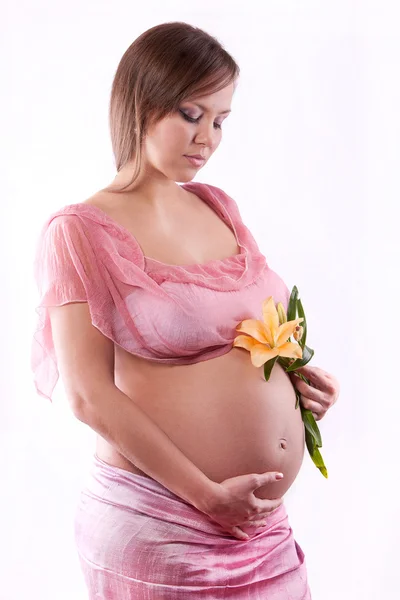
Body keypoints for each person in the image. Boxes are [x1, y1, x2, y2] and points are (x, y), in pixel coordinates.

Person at [31, 21, 339, 600]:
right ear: (141, 103)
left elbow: (246, 333)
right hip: (161, 526)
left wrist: (298, 381)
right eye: (192, 115)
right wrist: (206, 494)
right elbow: (87, 395)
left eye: (221, 120)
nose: (208, 138)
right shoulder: (77, 231)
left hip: (260, 531)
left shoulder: (217, 205)